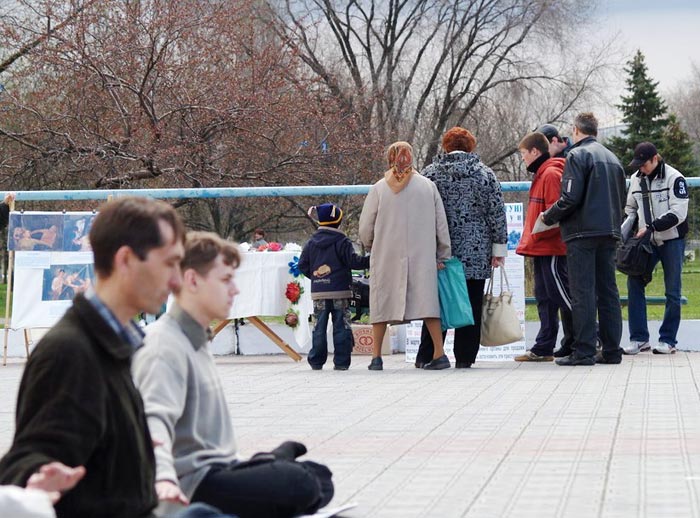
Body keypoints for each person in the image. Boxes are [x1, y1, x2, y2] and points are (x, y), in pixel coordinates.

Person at [0, 196, 197, 517]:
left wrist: (132, 449)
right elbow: (28, 459)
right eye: (169, 263)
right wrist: (34, 479)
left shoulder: (110, 344)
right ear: (126, 260)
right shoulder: (70, 352)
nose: (177, 280)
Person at [132, 231, 334, 518]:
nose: (235, 290)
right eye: (226, 280)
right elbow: (154, 422)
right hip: (189, 483)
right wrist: (164, 479)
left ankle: (267, 465)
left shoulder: (197, 339)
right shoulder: (163, 345)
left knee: (320, 477)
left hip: (219, 469)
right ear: (192, 280)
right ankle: (270, 466)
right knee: (300, 483)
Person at [416, 127, 507, 369]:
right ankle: (465, 357)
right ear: (471, 146)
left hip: (438, 250)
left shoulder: (429, 174)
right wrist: (498, 249)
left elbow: (420, 212)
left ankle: (428, 354)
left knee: (438, 302)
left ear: (445, 146)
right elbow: (496, 213)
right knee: (472, 302)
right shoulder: (484, 174)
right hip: (476, 249)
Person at [541, 112, 627, 366]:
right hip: (609, 230)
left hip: (581, 232)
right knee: (608, 292)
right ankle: (611, 350)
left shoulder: (577, 155)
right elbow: (621, 198)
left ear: (576, 130)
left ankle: (584, 351)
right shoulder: (613, 158)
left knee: (583, 292)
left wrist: (548, 216)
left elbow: (570, 197)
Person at [359, 141, 452, 370]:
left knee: (382, 304)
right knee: (428, 304)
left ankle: (376, 357)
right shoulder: (428, 187)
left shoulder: (379, 188)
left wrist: (372, 245)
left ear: (390, 158)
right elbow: (441, 225)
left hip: (386, 255)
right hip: (423, 256)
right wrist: (442, 254)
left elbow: (365, 227)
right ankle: (439, 354)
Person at [622, 142, 689, 355]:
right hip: (646, 242)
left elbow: (678, 214)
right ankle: (639, 338)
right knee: (634, 282)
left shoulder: (675, 178)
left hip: (672, 240)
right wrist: (626, 231)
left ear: (655, 159)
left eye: (644, 164)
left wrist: (652, 227)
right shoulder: (636, 179)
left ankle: (668, 340)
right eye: (638, 165)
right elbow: (630, 208)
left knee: (673, 291)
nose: (641, 168)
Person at [514, 132, 573, 362]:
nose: (523, 159)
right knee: (544, 297)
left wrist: (539, 232)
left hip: (552, 246)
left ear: (535, 151)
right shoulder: (542, 174)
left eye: (523, 154)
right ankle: (544, 346)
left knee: (562, 294)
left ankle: (592, 335)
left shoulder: (549, 174)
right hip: (541, 245)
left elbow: (557, 213)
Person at [298, 203, 370, 370]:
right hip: (340, 291)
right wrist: (371, 259)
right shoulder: (342, 241)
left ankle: (316, 361)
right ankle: (341, 362)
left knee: (319, 327)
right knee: (342, 326)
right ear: (338, 221)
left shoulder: (311, 243)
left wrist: (316, 278)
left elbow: (302, 265)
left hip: (319, 293)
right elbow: (354, 262)